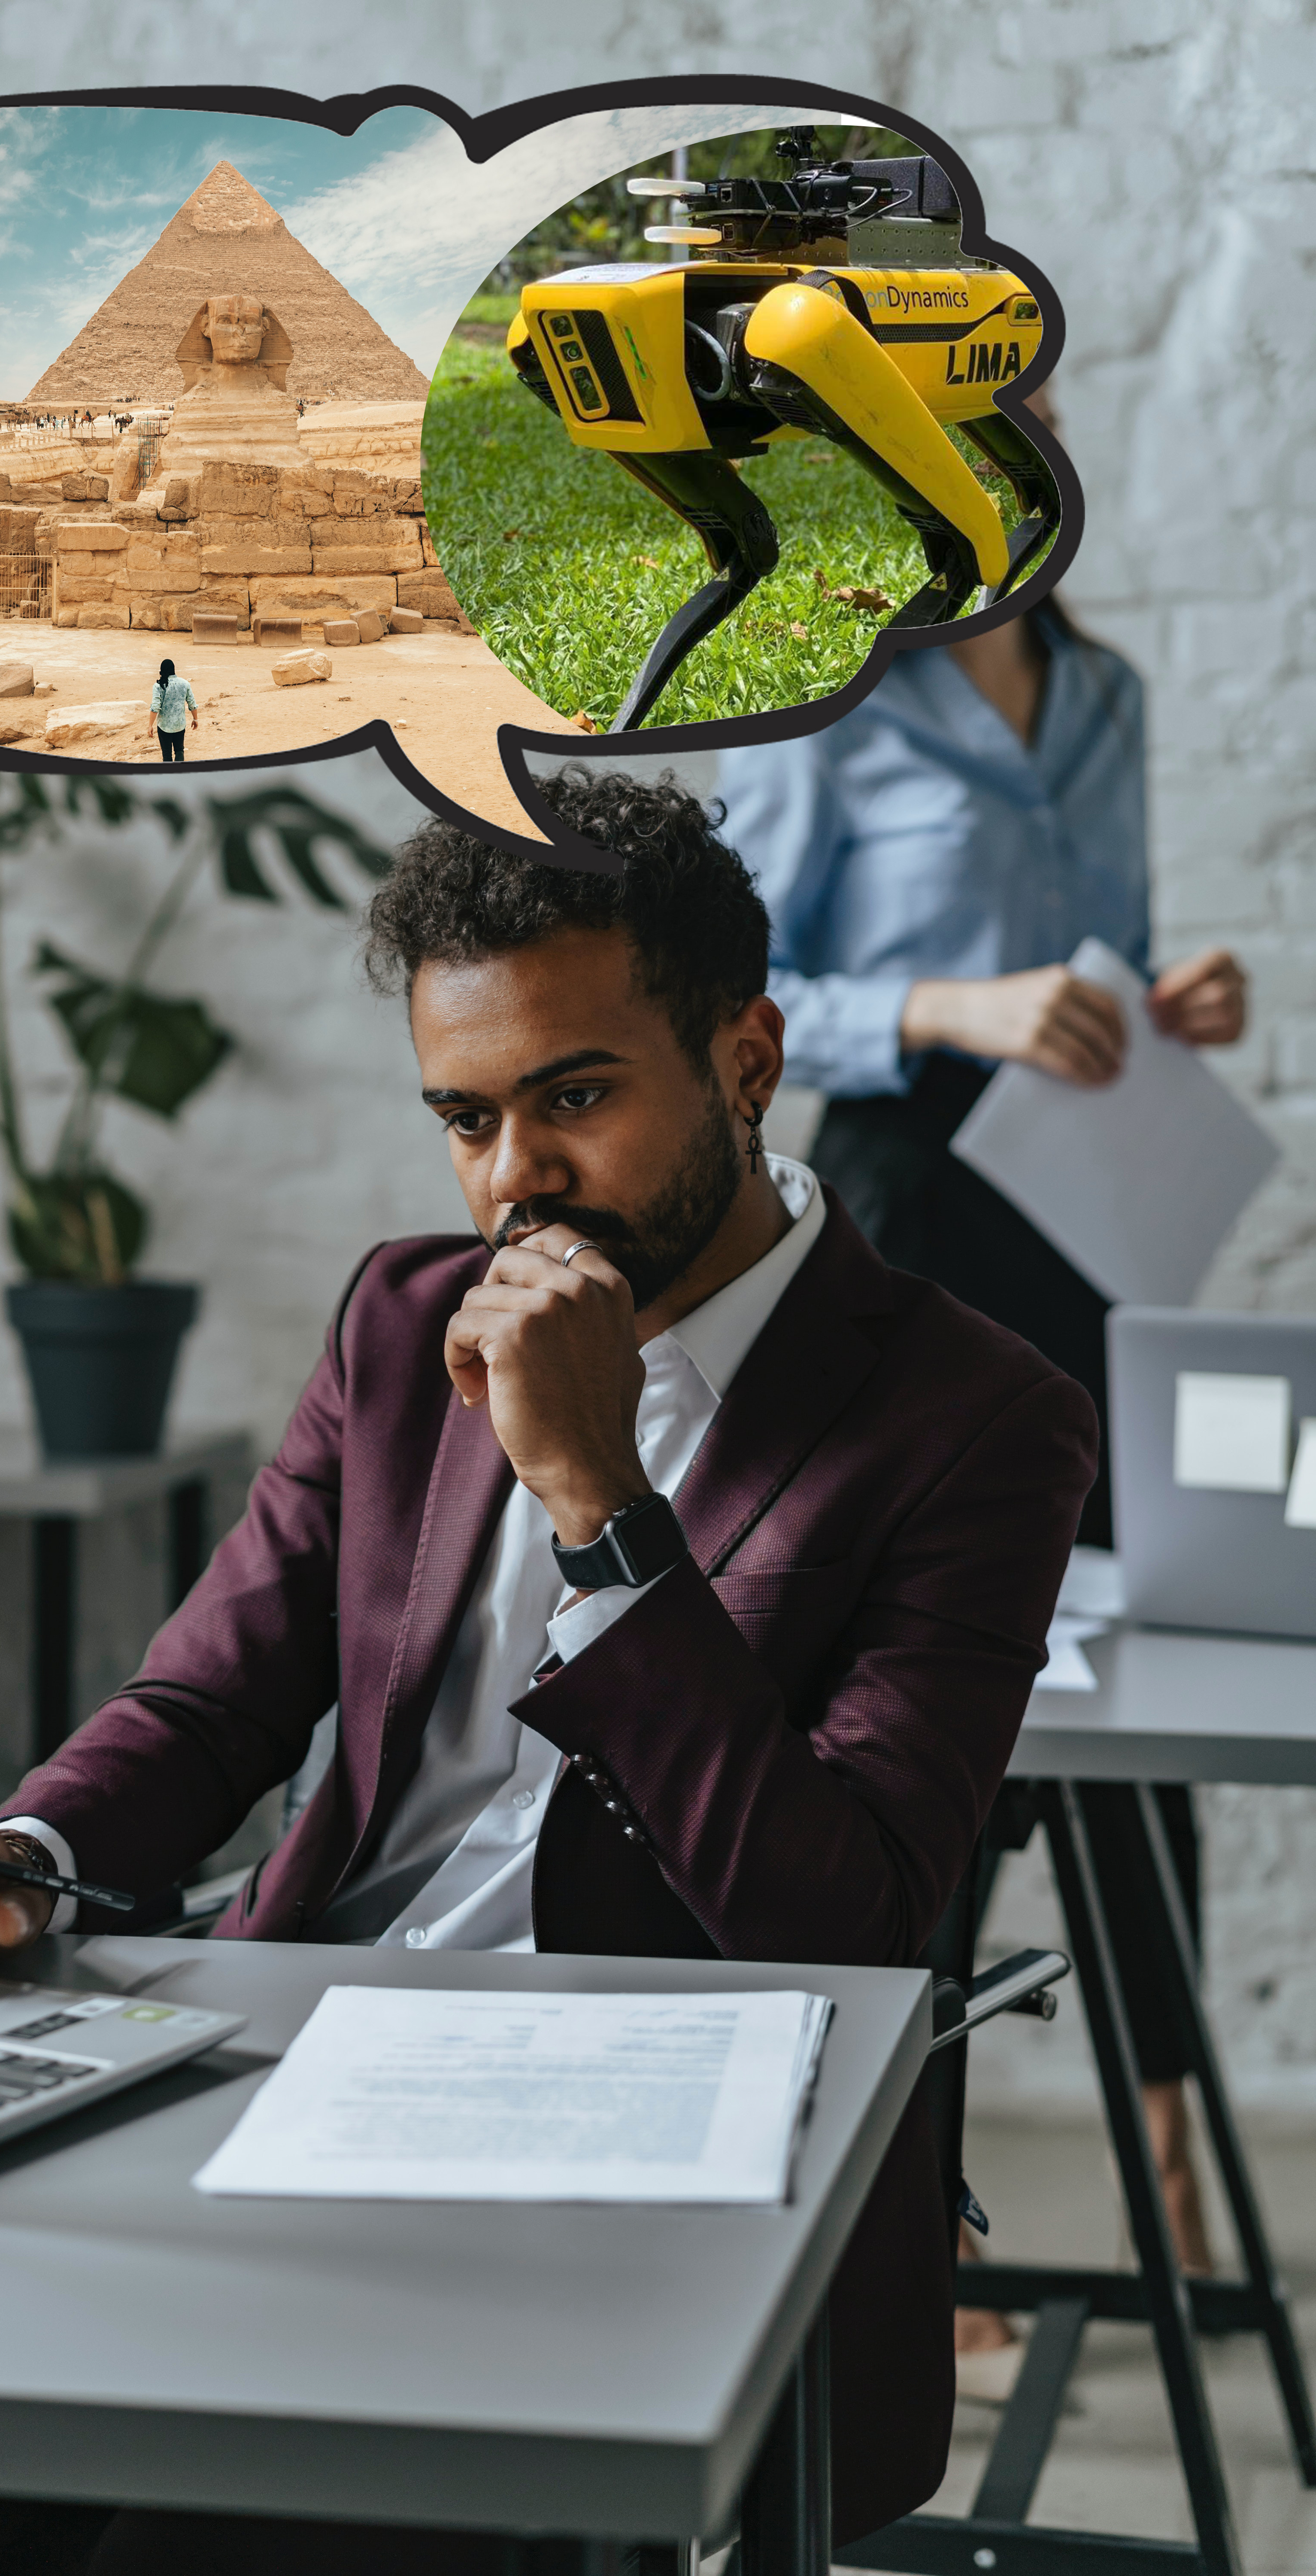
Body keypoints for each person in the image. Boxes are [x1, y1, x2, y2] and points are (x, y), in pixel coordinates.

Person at [0, 772, 1096, 2573]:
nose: (510, 1176)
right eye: (463, 1116)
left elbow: (846, 1922)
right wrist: (27, 1855)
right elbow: (209, 1697)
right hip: (278, 2084)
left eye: (576, 1096)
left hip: (628, 2190)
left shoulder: (973, 1418)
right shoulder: (401, 1322)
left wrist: (601, 1499)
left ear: (748, 1055)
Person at [715, 556, 1245, 2378]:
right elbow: (746, 993)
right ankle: (905, 2220)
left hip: (1088, 1211)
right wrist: (955, 1006)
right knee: (917, 1710)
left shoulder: (1104, 697)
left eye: (1028, 417)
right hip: (910, 1229)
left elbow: (1099, 961)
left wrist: (1160, 996)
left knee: (1135, 1681)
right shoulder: (830, 695)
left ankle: (1170, 2160)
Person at [148, 657, 197, 762]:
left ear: (161, 671)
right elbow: (192, 703)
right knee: (180, 750)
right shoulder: (185, 684)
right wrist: (195, 719)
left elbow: (155, 707)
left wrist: (150, 725)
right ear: (174, 670)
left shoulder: (158, 686)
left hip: (164, 726)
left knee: (167, 755)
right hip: (180, 725)